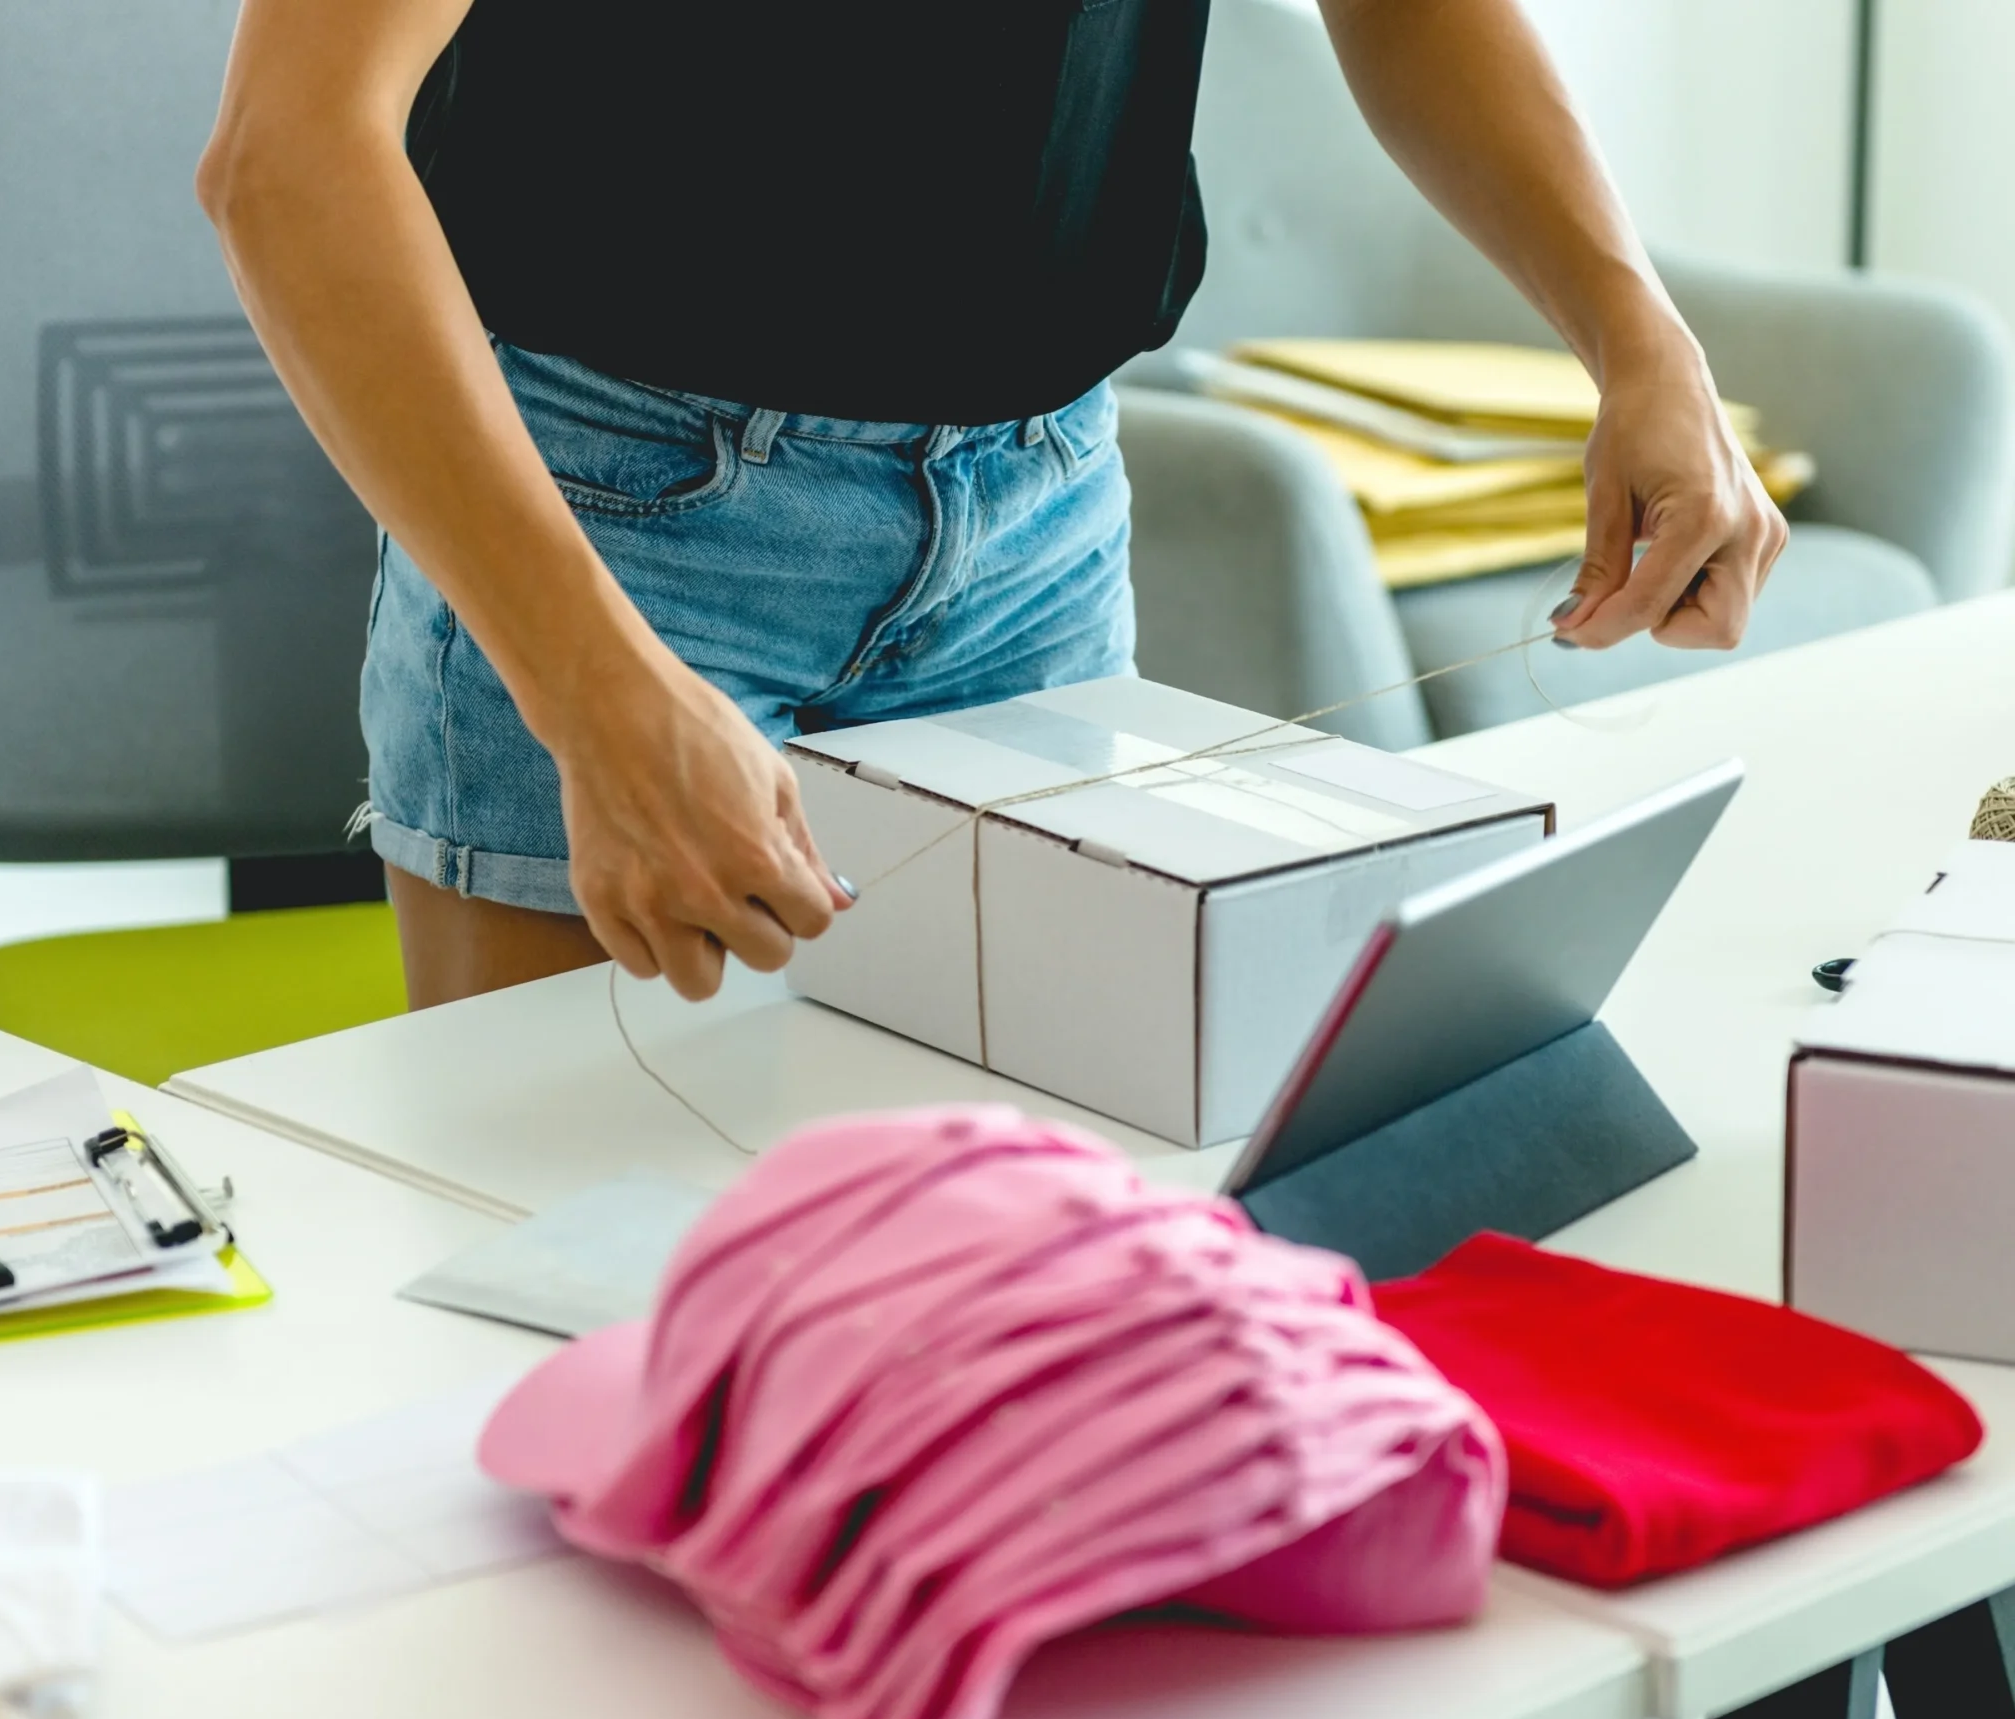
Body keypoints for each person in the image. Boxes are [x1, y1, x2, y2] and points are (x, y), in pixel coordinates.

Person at [198, 0, 1786, 1011]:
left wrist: (1636, 331)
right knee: (567, 1282)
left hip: (1037, 521)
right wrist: (594, 692)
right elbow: (287, 153)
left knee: (1011, 1278)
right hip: (624, 526)